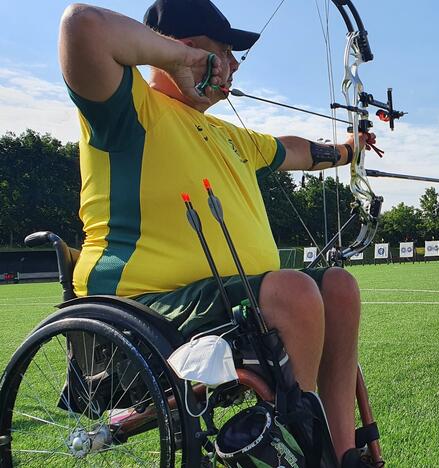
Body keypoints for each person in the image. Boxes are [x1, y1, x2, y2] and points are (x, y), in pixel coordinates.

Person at [58, 0, 373, 465]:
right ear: (183, 49)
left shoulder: (226, 133)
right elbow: (81, 26)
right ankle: (299, 451)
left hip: (226, 306)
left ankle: (344, 455)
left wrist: (348, 149)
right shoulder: (125, 108)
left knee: (340, 287)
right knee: (294, 292)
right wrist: (176, 59)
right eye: (223, 52)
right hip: (143, 310)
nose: (233, 65)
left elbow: (291, 151)